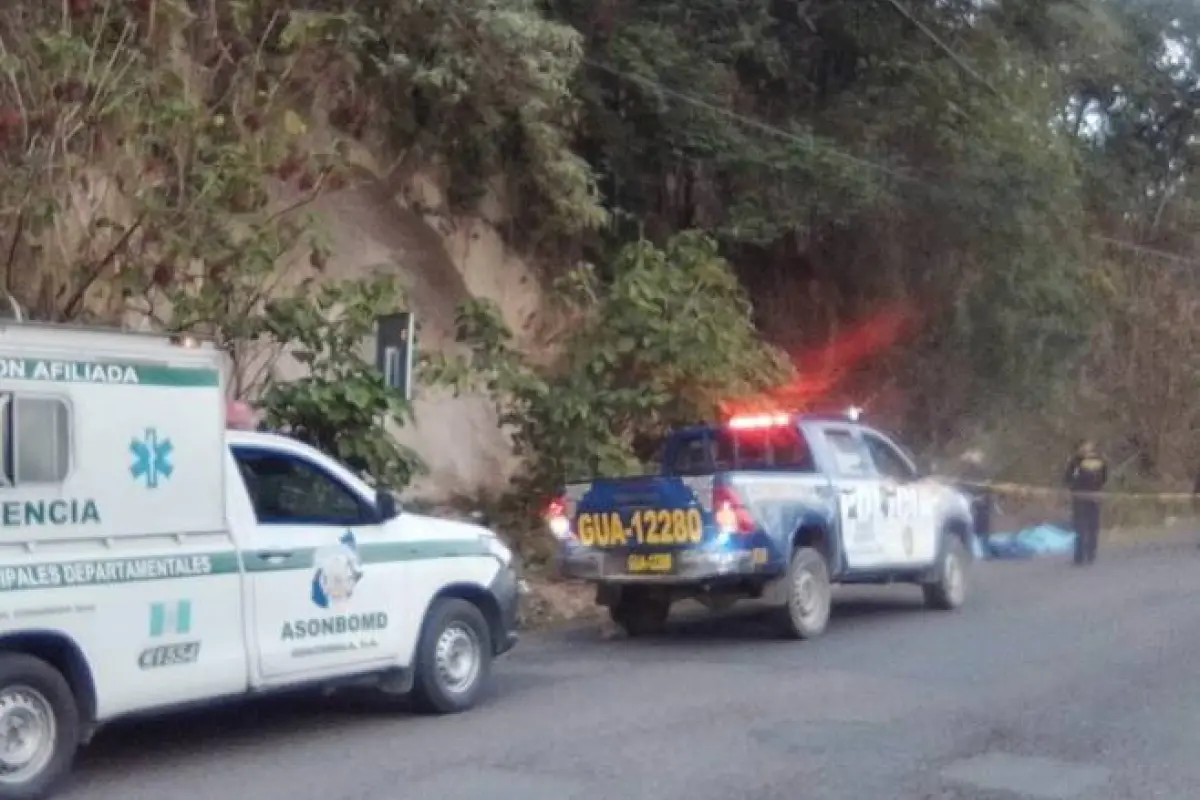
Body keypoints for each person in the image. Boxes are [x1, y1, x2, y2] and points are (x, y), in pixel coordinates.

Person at [1063, 440, 1107, 566]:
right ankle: (1080, 555)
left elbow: (1104, 477)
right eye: (1084, 447)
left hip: (1093, 497)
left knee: (1093, 526)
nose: (1087, 449)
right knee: (1080, 527)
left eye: (1089, 447)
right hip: (1080, 497)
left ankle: (1090, 554)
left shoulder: (1100, 461)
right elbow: (1067, 478)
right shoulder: (1075, 462)